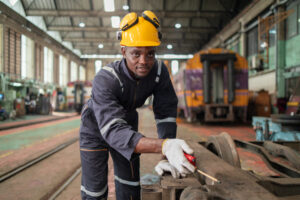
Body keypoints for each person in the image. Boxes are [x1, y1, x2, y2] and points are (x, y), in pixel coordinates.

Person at [79, 10, 195, 200]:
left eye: (150, 54)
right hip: (95, 129)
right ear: (123, 51)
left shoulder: (159, 72)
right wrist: (164, 146)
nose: (144, 61)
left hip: (127, 121)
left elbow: (165, 112)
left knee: (130, 184)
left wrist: (167, 156)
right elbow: (114, 131)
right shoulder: (106, 79)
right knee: (95, 190)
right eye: (136, 54)